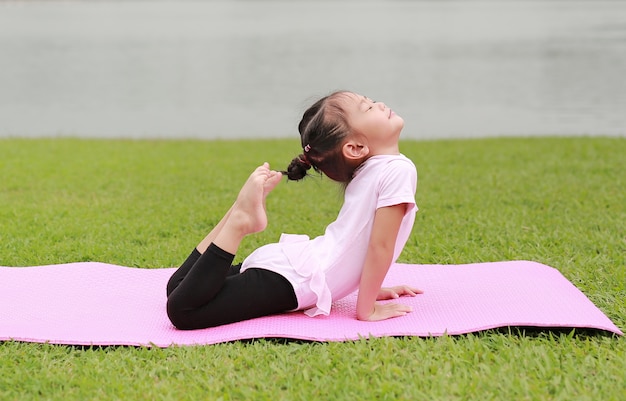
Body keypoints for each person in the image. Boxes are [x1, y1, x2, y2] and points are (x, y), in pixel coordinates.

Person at [166, 91, 421, 330]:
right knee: (184, 310)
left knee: (178, 288)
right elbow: (379, 246)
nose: (379, 104)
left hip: (295, 266)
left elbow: (360, 240)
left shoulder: (375, 169)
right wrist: (367, 308)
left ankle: (238, 212)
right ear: (355, 148)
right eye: (368, 107)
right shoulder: (397, 170)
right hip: (299, 281)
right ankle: (239, 221)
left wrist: (370, 288)